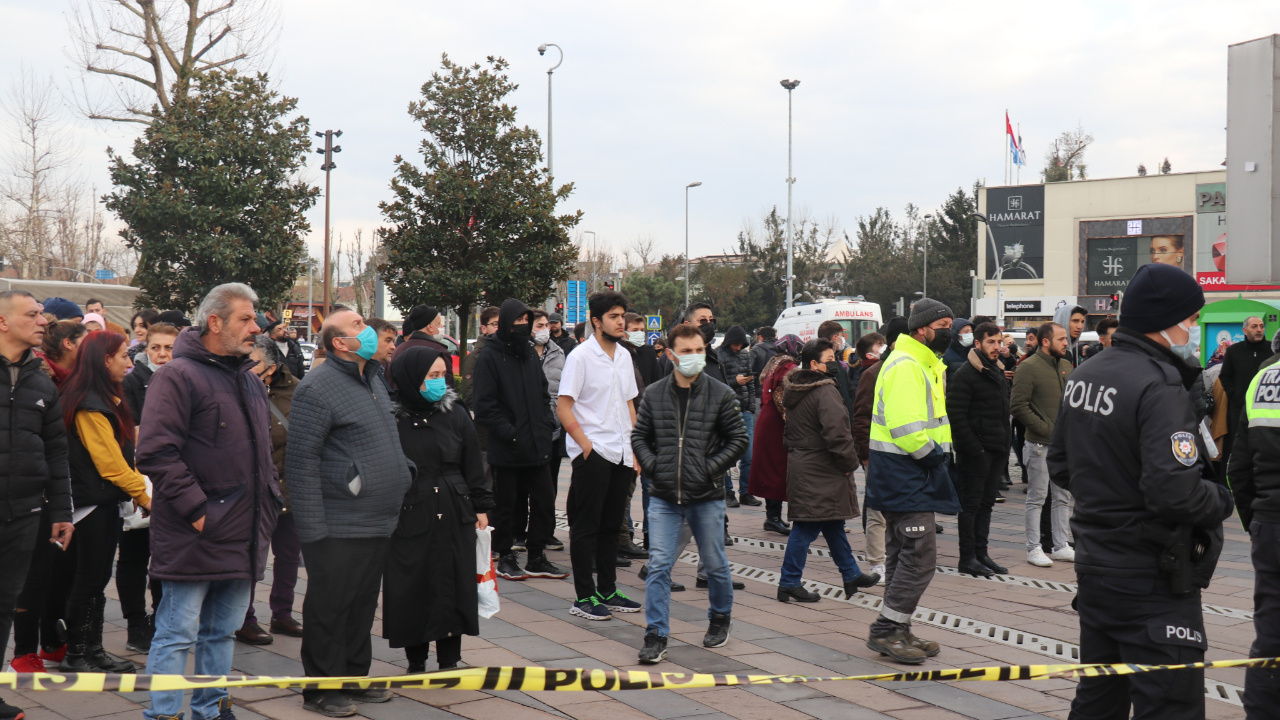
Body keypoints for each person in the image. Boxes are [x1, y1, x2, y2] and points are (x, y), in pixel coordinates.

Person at [1048, 263, 1233, 719]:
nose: (1193, 329)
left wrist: (1112, 495)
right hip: (1152, 573)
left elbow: (1061, 465)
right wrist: (1224, 500)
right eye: (1190, 320)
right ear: (1163, 321)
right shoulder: (1160, 385)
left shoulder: (1085, 374)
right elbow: (1177, 494)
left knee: (1099, 699)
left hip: (1097, 563)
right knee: (1169, 703)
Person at [135, 283, 280, 720]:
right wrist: (199, 512)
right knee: (177, 633)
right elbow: (156, 452)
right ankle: (163, 714)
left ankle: (212, 710)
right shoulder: (177, 376)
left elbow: (261, 453)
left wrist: (268, 505)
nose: (256, 327)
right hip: (195, 533)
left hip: (243, 530)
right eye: (245, 319)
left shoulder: (249, 381)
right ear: (214, 322)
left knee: (222, 633)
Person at [286, 307, 413, 717]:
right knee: (330, 605)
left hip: (377, 517)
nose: (369, 328)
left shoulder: (373, 377)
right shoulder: (317, 387)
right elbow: (301, 461)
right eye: (358, 325)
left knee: (360, 604)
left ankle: (355, 675)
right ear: (339, 343)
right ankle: (322, 687)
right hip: (339, 521)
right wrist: (312, 530)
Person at [634, 323, 747, 663]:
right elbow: (640, 437)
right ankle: (656, 634)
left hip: (707, 496)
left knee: (714, 563)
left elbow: (738, 440)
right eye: (686, 352)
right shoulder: (654, 394)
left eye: (699, 350)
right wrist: (655, 467)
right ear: (670, 355)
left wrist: (709, 468)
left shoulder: (720, 393)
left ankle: (719, 617)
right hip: (665, 496)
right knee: (658, 566)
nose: (694, 357)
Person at [386, 346, 492, 673]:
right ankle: (415, 659)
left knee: (454, 581)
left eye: (442, 375)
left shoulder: (455, 412)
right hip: (410, 507)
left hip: (454, 503)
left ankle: (450, 658)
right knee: (412, 582)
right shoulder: (391, 417)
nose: (439, 382)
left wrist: (481, 505)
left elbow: (473, 461)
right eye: (431, 376)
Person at [864, 299, 959, 665]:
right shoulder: (907, 365)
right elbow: (907, 429)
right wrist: (933, 457)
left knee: (903, 553)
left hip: (902, 472)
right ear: (922, 329)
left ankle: (898, 627)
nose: (950, 331)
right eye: (945, 323)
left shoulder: (921, 362)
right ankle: (886, 630)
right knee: (920, 557)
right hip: (906, 471)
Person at [56, 331, 149, 673]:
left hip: (100, 501)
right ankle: (79, 653)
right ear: (103, 359)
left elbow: (121, 457)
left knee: (94, 579)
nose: (129, 362)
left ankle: (91, 651)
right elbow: (109, 464)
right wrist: (144, 495)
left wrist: (135, 490)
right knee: (91, 579)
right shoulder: (89, 402)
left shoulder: (100, 397)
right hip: (89, 505)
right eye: (123, 356)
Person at [0, 292, 74, 720]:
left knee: (5, 605)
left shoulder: (42, 380)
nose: (43, 321)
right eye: (32, 314)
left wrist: (62, 511)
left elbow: (56, 453)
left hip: (24, 515)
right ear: (4, 323)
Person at [558, 291, 642, 621]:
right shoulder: (580, 357)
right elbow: (564, 405)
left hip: (621, 451)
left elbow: (629, 404)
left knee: (612, 525)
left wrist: (636, 447)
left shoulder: (623, 355)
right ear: (597, 321)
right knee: (586, 526)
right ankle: (583, 596)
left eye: (623, 315)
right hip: (594, 452)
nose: (622, 321)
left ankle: (607, 589)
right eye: (614, 316)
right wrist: (585, 444)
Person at [778, 339, 880, 603]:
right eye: (830, 358)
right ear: (814, 364)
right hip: (822, 468)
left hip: (806, 465)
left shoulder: (797, 388)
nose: (835, 362)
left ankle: (851, 574)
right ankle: (789, 581)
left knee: (833, 523)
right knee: (806, 527)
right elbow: (837, 433)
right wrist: (849, 463)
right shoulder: (824, 391)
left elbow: (788, 433)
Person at [472, 299, 567, 582]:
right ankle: (505, 555)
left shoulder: (527, 352)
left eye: (528, 322)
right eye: (519, 322)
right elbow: (485, 404)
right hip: (509, 446)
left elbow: (541, 393)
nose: (524, 328)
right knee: (507, 504)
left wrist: (544, 424)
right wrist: (512, 433)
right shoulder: (490, 356)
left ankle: (537, 556)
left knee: (544, 501)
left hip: (538, 444)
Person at [234, 335, 304, 646]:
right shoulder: (237, 388)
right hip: (254, 489)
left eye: (255, 362)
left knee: (288, 555)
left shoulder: (298, 390)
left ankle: (283, 613)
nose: (247, 367)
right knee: (252, 557)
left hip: (289, 486)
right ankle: (244, 618)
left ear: (273, 368)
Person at [116, 321, 178, 653]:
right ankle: (135, 622)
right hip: (139, 477)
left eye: (169, 347)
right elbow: (132, 431)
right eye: (156, 347)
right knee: (134, 555)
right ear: (147, 348)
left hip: (176, 477)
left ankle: (161, 617)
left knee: (167, 556)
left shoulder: (185, 378)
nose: (163, 353)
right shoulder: (133, 382)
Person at [1226, 343, 1280, 715]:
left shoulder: (1262, 377)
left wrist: (1256, 522)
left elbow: (1238, 467)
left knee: (1270, 637)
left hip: (1270, 524)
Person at [945, 322, 1011, 578]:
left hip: (997, 449)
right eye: (991, 342)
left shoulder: (995, 370)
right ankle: (967, 558)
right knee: (971, 505)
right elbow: (956, 415)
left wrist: (1003, 447)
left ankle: (981, 553)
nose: (997, 347)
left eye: (999, 342)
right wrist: (975, 449)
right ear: (978, 344)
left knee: (986, 504)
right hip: (976, 452)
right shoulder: (966, 373)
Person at [1010, 322, 1074, 568]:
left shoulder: (1067, 365)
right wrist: (1047, 429)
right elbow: (1018, 406)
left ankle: (1060, 546)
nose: (1065, 343)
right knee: (1037, 497)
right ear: (1045, 341)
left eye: (1065, 339)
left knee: (1062, 496)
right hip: (1039, 445)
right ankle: (1033, 547)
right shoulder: (1028, 367)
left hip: (1063, 446)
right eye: (1061, 339)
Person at [853, 317, 908, 583]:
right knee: (877, 511)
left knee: (904, 509)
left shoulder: (915, 369)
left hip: (908, 451)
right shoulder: (873, 373)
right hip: (878, 452)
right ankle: (877, 562)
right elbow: (861, 416)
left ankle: (899, 557)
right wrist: (865, 454)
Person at [515, 309, 566, 552]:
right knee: (522, 487)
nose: (545, 329)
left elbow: (562, 392)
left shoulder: (558, 353)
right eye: (539, 325)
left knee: (549, 486)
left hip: (551, 431)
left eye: (546, 324)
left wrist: (552, 420)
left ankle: (545, 532)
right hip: (526, 431)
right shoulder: (519, 352)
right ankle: (518, 532)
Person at [749, 335, 803, 536]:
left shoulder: (774, 362)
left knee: (771, 469)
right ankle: (772, 518)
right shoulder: (788, 367)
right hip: (776, 423)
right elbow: (786, 397)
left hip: (767, 418)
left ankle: (772, 516)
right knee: (777, 470)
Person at [1220, 315, 1271, 463]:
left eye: (1261, 326)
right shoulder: (1234, 351)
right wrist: (1236, 396)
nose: (1259, 330)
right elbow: (1225, 377)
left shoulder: (1272, 351)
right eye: (1254, 326)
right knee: (1239, 449)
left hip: (1266, 410)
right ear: (1245, 330)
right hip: (1239, 410)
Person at [718, 325, 758, 507]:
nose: (738, 347)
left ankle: (746, 492)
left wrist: (750, 408)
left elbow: (751, 384)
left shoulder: (744, 354)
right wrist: (735, 381)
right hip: (727, 411)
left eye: (741, 344)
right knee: (726, 454)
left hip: (744, 410)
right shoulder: (718, 354)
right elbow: (717, 383)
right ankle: (728, 492)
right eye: (736, 344)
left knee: (748, 455)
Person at [389, 305, 452, 388]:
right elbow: (448, 384)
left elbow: (390, 380)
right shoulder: (438, 350)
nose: (442, 327)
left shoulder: (399, 349)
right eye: (439, 323)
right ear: (430, 327)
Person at [815, 319, 857, 431]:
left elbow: (849, 391)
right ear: (835, 338)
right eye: (842, 336)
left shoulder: (835, 361)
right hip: (836, 424)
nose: (844, 340)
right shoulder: (826, 365)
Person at [459, 306, 500, 413]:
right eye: (495, 324)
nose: (499, 328)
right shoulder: (475, 357)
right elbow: (469, 395)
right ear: (484, 329)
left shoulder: (509, 353)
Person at [37, 320, 88, 387]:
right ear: (68, 343)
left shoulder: (83, 375)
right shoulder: (41, 379)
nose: (91, 346)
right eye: (86, 341)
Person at [848, 331, 885, 400]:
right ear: (870, 355)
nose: (884, 347)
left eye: (884, 344)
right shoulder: (869, 374)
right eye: (880, 345)